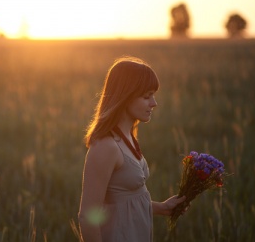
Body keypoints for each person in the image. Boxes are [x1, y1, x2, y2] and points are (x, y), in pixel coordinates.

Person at [78, 56, 186, 242]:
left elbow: (122, 203)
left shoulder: (128, 136)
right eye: (146, 96)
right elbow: (88, 217)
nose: (154, 103)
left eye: (153, 95)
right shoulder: (106, 146)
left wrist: (161, 207)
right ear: (125, 97)